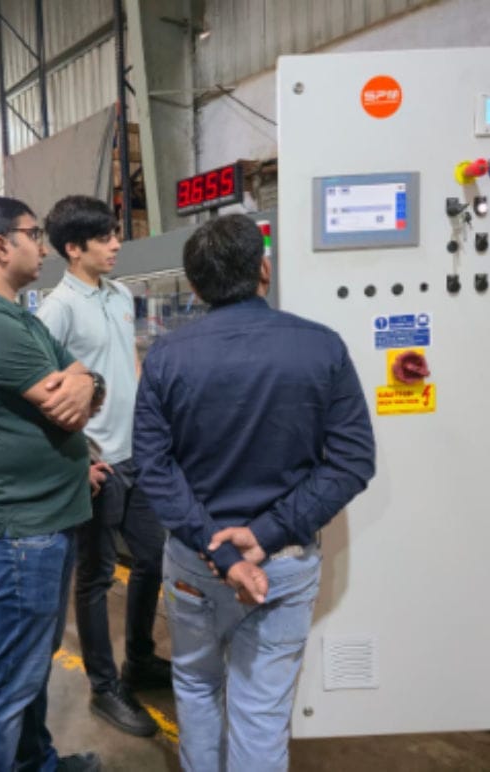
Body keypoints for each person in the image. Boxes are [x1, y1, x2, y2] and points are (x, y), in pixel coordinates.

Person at [133, 214, 376, 772]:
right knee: (261, 709)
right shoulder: (322, 348)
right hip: (282, 566)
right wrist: (263, 536)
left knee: (195, 686)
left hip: (196, 564)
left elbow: (154, 466)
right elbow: (352, 461)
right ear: (264, 270)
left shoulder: (167, 358)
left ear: (195, 288)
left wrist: (217, 551)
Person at [0, 196, 103, 772]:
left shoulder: (18, 315)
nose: (44, 246)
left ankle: (38, 764)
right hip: (21, 529)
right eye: (34, 234)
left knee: (31, 666)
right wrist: (81, 386)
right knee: (11, 680)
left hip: (45, 520)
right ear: (1, 244)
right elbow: (70, 405)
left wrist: (87, 378)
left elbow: (82, 376)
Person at [37, 195, 166, 738]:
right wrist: (81, 460)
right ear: (73, 248)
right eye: (106, 237)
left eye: (117, 235)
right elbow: (44, 393)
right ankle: (105, 687)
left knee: (153, 558)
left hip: (138, 455)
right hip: (99, 465)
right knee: (93, 577)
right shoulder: (55, 310)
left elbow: (129, 360)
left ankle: (140, 656)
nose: (117, 245)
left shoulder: (119, 294)